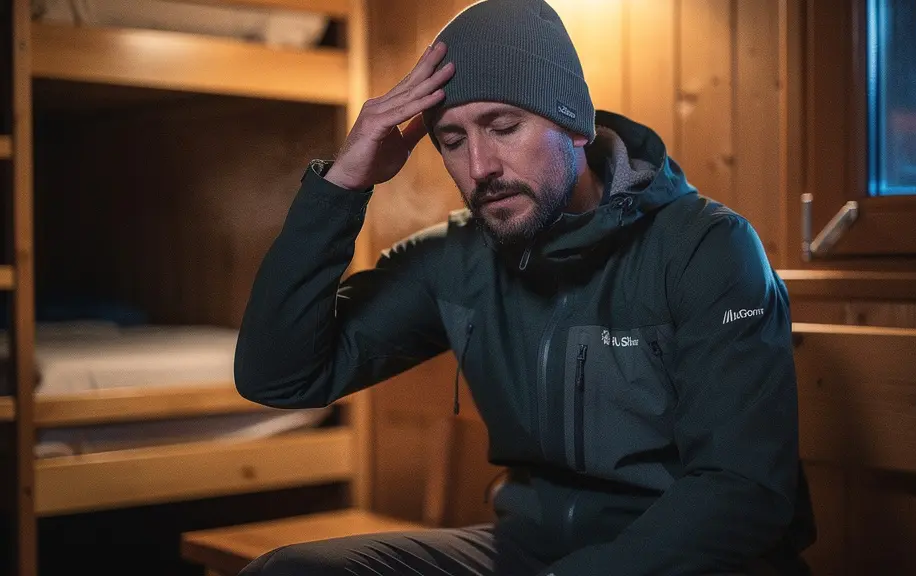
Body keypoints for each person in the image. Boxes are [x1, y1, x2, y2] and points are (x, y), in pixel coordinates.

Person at [233, 0, 816, 574]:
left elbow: (742, 491)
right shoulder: (454, 259)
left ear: (576, 124)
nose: (480, 165)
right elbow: (280, 377)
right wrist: (343, 184)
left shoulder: (705, 247)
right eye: (454, 141)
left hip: (689, 562)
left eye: (504, 126)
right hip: (526, 552)